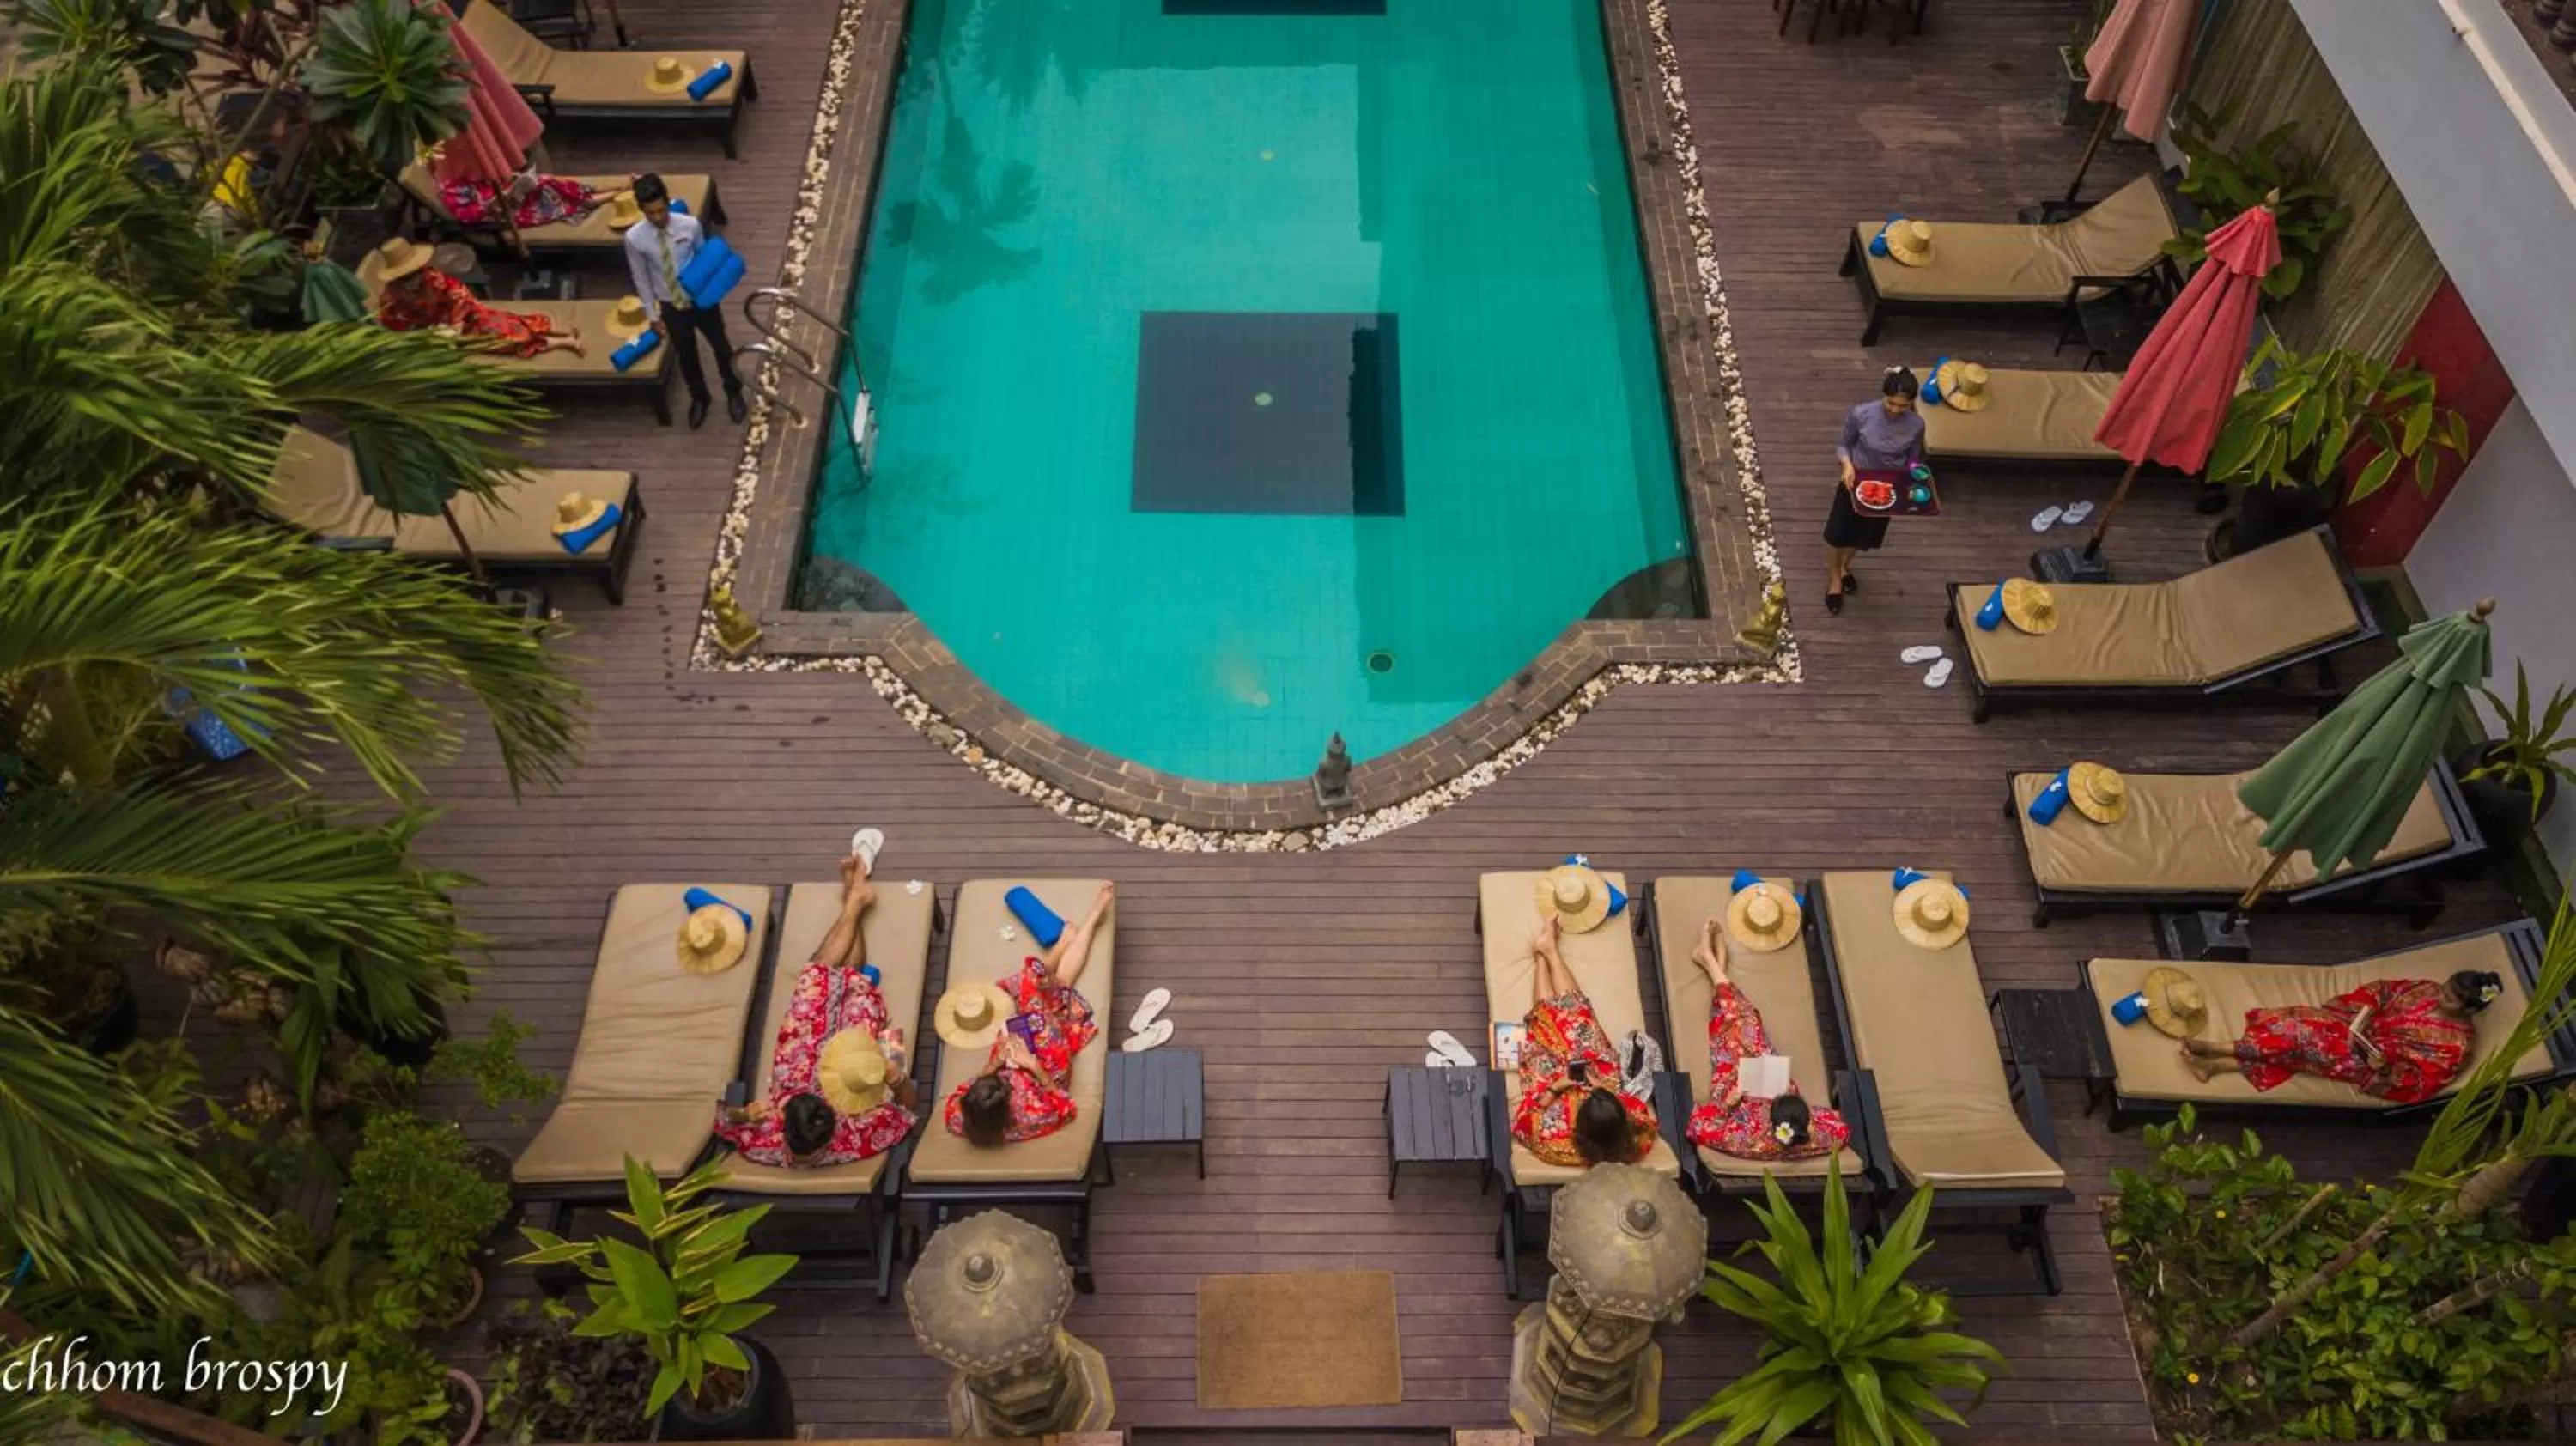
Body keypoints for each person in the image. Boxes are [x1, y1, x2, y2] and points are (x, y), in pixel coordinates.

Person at [713, 851, 918, 1168]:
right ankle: (854, 899)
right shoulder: (857, 1135)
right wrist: (897, 1077)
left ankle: (854, 900)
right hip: (850, 1071)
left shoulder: (764, 1142)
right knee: (854, 989)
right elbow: (907, 1112)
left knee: (817, 979)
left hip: (801, 1054)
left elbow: (722, 1121)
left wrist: (745, 1114)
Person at [2180, 969, 2505, 1105]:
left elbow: (2424, 1082)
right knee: (2299, 1020)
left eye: (2449, 999)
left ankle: (2213, 1049)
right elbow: (2385, 990)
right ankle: (2217, 1067)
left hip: (2369, 1062)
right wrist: (2364, 1008)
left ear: (2468, 1010)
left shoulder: (2456, 1045)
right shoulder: (2427, 990)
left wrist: (2386, 1068)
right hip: (2358, 1027)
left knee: (2305, 1041)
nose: (2440, 997)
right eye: (2444, 989)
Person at [947, 884, 1114, 1146]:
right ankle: (1087, 924)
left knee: (1029, 994)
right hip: (1047, 1069)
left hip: (1012, 1058)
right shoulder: (1029, 1118)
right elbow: (1065, 1107)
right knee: (1051, 993)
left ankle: (1062, 950)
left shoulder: (960, 1117)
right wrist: (1033, 1066)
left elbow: (964, 1093)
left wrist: (996, 1064)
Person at [1683, 918, 1848, 1161]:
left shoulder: (1746, 1141)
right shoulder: (1818, 1139)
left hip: (1736, 1088)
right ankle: (1715, 967)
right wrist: (1800, 1116)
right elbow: (1839, 1125)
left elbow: (1698, 1127)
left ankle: (1711, 963)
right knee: (1750, 1029)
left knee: (1739, 1029)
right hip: (1770, 1079)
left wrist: (1728, 1104)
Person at [1510, 914, 1658, 1169]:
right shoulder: (1635, 1141)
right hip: (1596, 1075)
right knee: (1580, 1022)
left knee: (1548, 1028)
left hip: (1553, 1084)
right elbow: (1645, 1113)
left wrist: (1557, 1088)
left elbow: (1525, 1118)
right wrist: (1602, 1089)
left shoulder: (1556, 1146)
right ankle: (1550, 951)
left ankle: (1542, 958)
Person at [623, 172, 745, 429]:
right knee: (687, 355)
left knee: (721, 347)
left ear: (668, 202)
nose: (657, 218)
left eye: (661, 210)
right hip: (671, 306)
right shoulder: (634, 238)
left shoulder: (689, 225)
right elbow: (640, 277)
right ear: (642, 211)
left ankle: (734, 390)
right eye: (650, 213)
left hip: (701, 301)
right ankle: (700, 398)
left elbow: (705, 259)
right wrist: (652, 316)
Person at [367, 237, 584, 358]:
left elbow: (459, 294)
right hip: (439, 337)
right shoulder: (391, 299)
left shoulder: (431, 277)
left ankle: (557, 333)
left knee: (505, 323)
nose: (415, 277)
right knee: (510, 339)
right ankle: (563, 341)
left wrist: (455, 325)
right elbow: (397, 327)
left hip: (463, 319)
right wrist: (432, 337)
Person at [1823, 365, 1925, 616]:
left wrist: (1916, 476)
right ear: (1883, 395)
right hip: (1855, 480)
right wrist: (1846, 464)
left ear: (1911, 403)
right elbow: (1843, 445)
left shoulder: (1916, 425)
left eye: (1902, 406)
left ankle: (1845, 567)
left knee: (1863, 536)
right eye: (1890, 403)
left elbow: (1913, 458)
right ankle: (1835, 578)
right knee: (1836, 534)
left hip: (1888, 487)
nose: (1895, 410)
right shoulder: (1862, 414)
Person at [440, 168, 632, 233]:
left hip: (511, 197)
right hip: (501, 214)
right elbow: (466, 216)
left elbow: (494, 177)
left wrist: (512, 182)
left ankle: (598, 191)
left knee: (544, 181)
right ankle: (599, 197)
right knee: (547, 189)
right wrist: (493, 202)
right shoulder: (451, 190)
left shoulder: (468, 167)